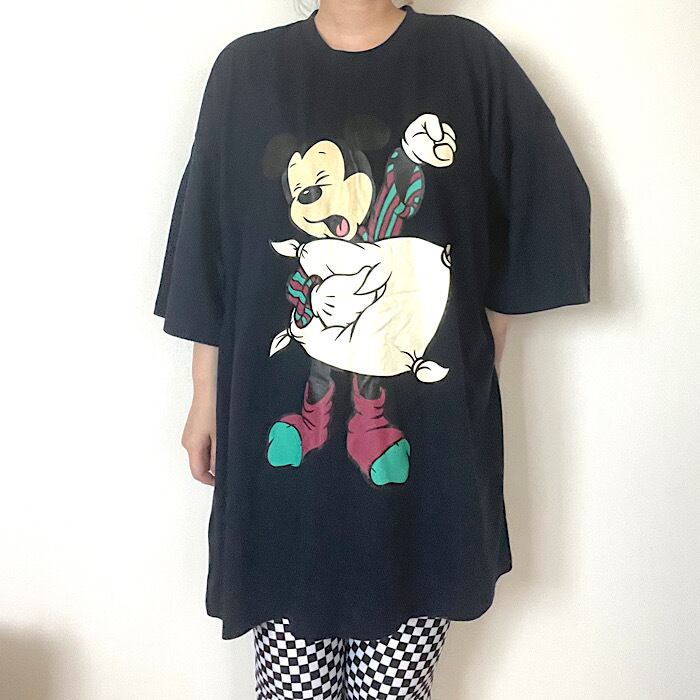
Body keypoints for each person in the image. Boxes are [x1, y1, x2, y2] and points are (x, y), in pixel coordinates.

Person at [154, 1, 591, 697]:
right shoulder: (246, 71)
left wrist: (481, 343)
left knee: (397, 682)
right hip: (276, 456)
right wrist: (203, 395)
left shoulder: (467, 60)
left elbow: (546, 200)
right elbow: (210, 245)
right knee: (291, 682)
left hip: (427, 446)